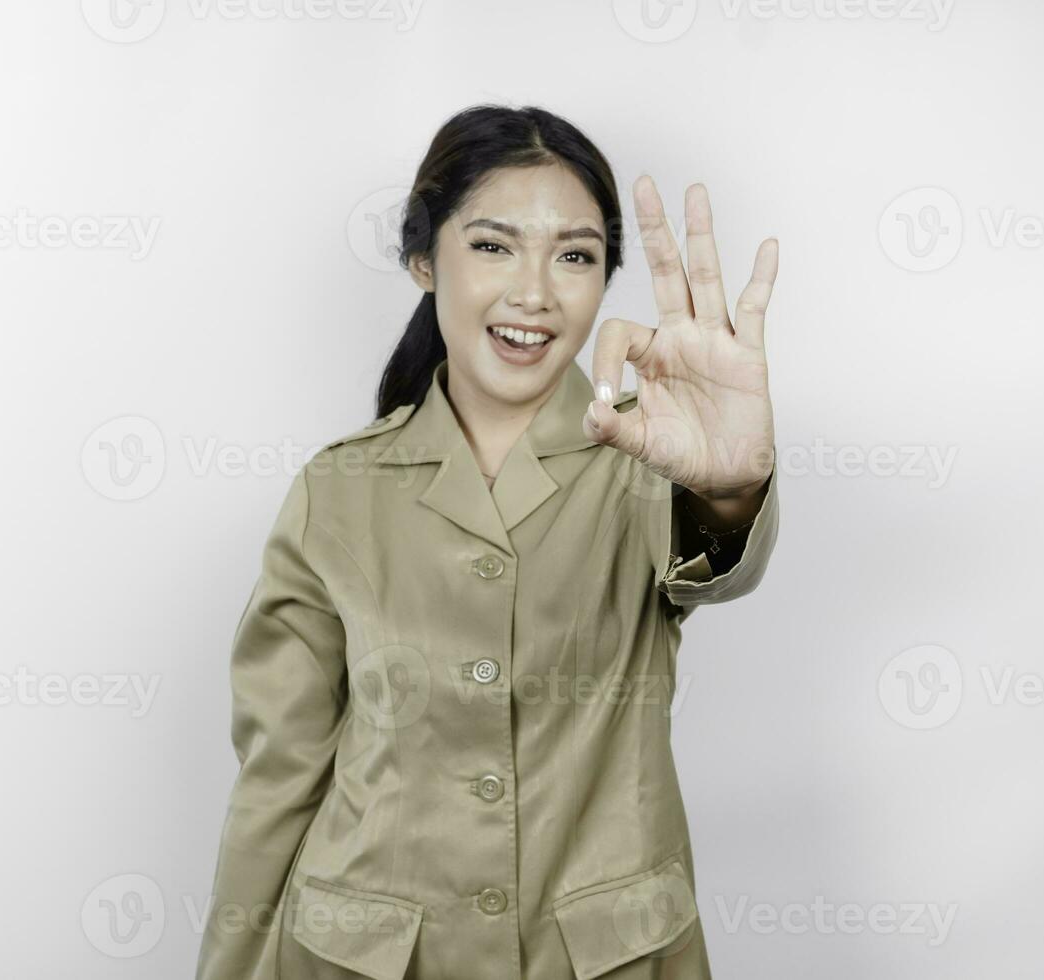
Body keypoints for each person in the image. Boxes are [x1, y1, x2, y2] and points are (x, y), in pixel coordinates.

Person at [196, 104, 781, 980]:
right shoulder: (336, 492)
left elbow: (713, 556)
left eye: (575, 255)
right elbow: (280, 779)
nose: (535, 292)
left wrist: (731, 485)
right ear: (425, 260)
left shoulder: (648, 456)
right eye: (494, 245)